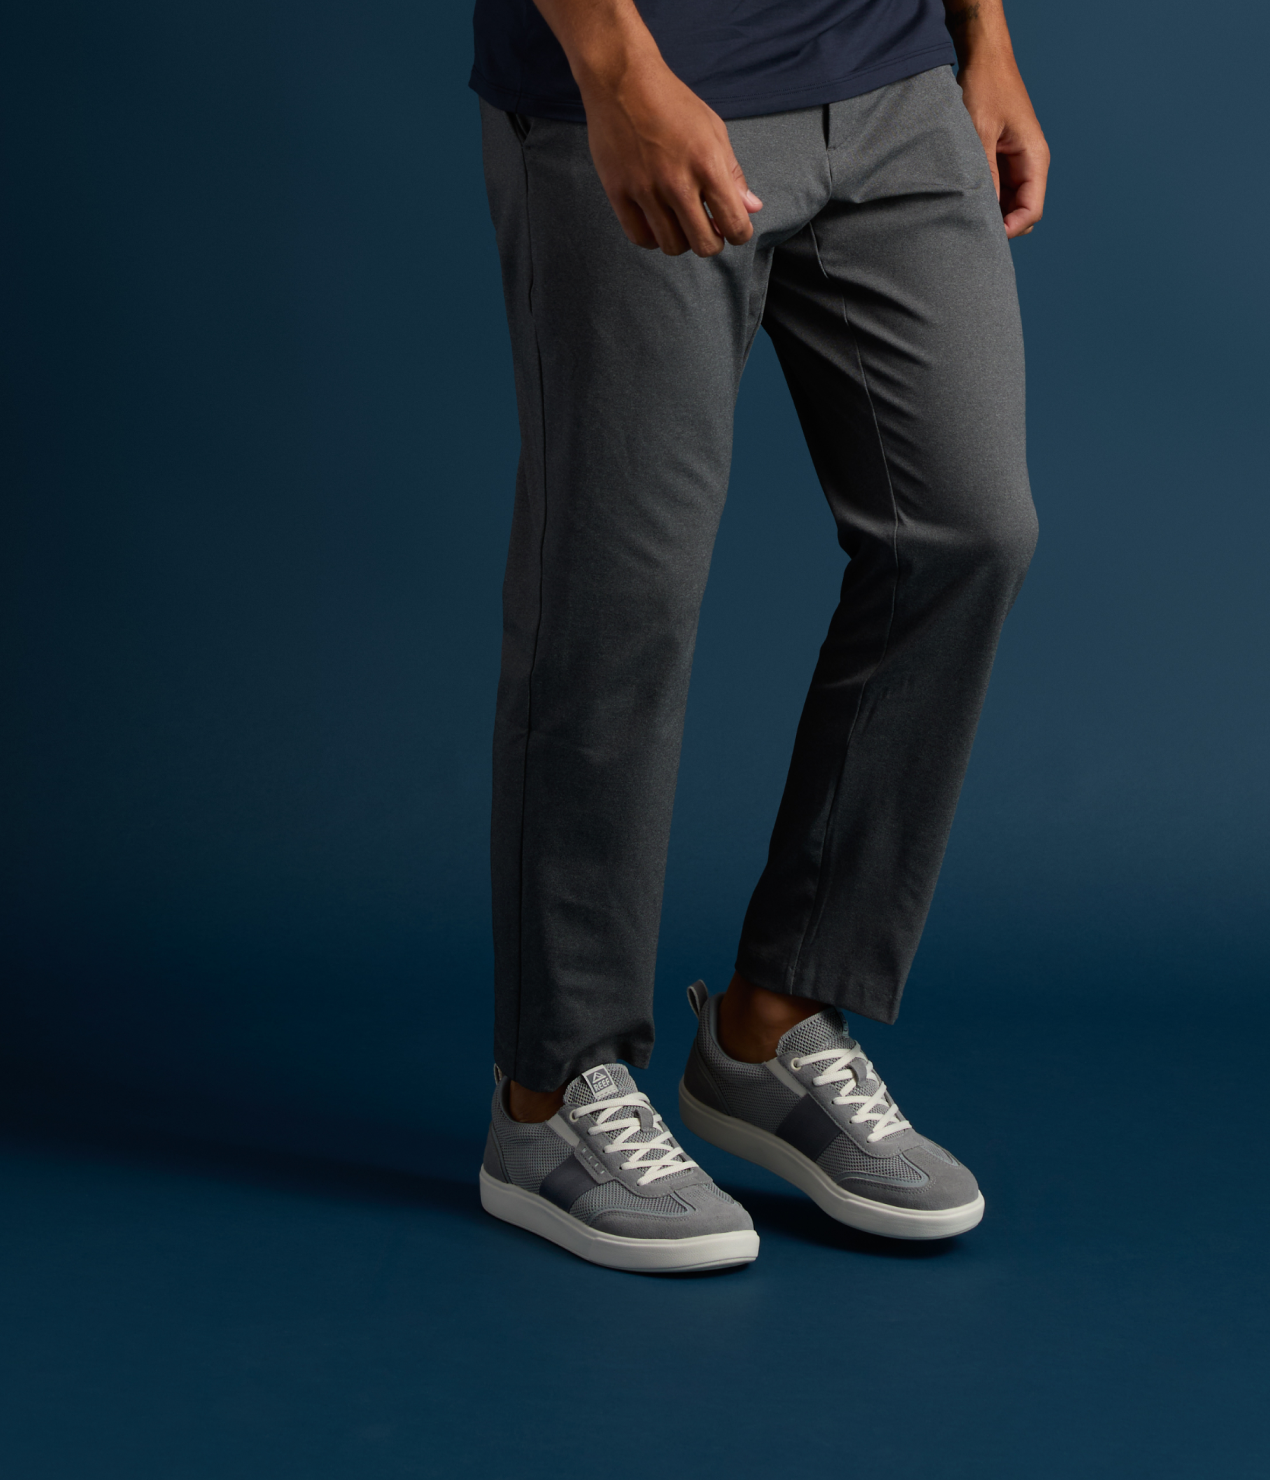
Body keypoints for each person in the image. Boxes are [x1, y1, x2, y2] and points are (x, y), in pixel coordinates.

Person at [471, 0, 1047, 1272]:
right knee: (618, 594)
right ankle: (549, 1094)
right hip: (655, 80)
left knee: (966, 534)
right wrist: (617, 72)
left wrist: (984, 40)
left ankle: (770, 1022)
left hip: (889, 77)